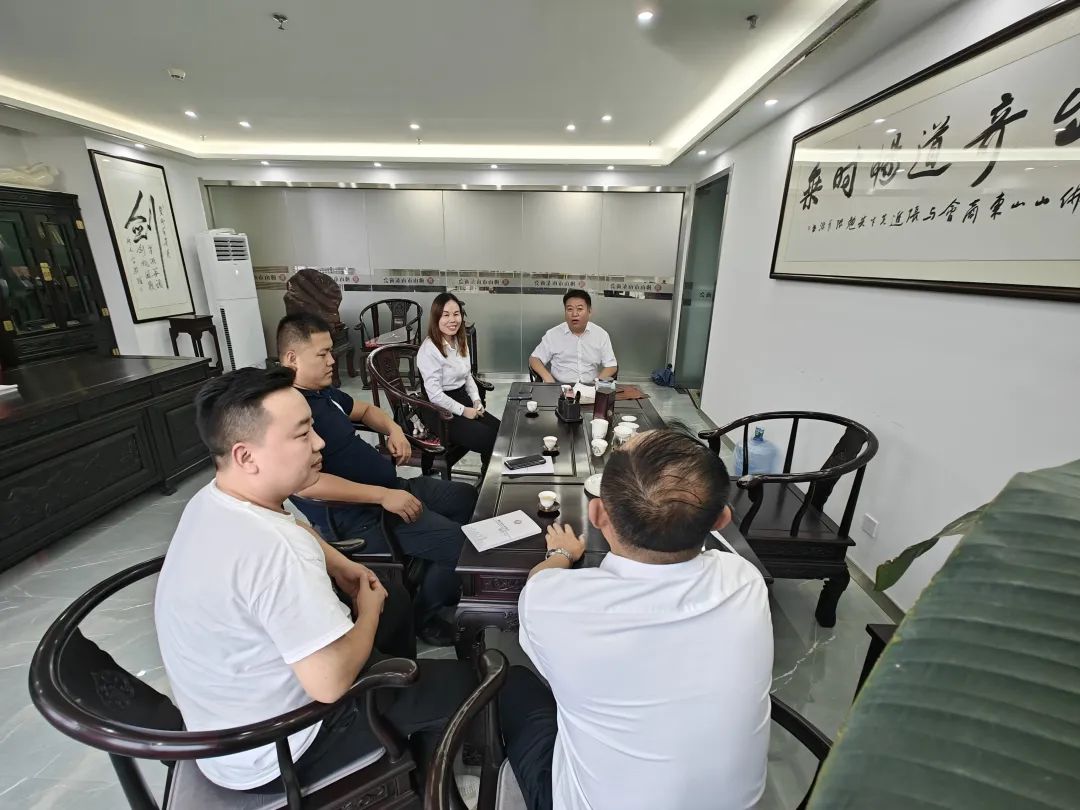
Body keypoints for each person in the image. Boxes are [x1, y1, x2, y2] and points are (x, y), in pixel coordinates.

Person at [154, 366, 476, 793]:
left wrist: (338, 562)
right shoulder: (275, 551)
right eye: (303, 433)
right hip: (283, 747)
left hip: (229, 731)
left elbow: (291, 523)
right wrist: (367, 613)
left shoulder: (213, 499)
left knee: (395, 598)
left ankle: (405, 722)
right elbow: (330, 683)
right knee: (496, 685)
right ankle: (400, 718)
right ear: (246, 456)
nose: (319, 442)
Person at [499, 430, 773, 810]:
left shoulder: (555, 604)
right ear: (721, 520)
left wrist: (561, 552)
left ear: (598, 514)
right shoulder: (745, 580)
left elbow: (538, 582)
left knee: (513, 682)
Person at [277, 312, 475, 647]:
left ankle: (433, 576)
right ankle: (425, 617)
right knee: (461, 545)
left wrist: (394, 429)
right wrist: (381, 496)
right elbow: (304, 485)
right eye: (322, 354)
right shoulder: (288, 411)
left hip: (391, 488)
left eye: (331, 352)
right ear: (292, 358)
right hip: (362, 515)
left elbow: (367, 411)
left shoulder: (323, 394)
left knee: (466, 497)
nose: (332, 361)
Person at [416, 293, 500, 468]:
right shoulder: (429, 350)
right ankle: (489, 481)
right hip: (439, 411)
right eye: (446, 315)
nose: (452, 320)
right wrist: (464, 411)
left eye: (456, 314)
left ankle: (487, 473)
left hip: (462, 399)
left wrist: (476, 400)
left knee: (501, 431)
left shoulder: (459, 340)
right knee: (490, 439)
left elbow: (467, 375)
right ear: (436, 318)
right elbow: (435, 396)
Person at [528, 289, 617, 384]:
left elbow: (611, 365)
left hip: (591, 385)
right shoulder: (552, 334)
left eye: (580, 309)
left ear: (589, 311)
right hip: (559, 386)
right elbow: (534, 359)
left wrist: (596, 382)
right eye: (570, 309)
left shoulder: (601, 335)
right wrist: (548, 379)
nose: (574, 314)